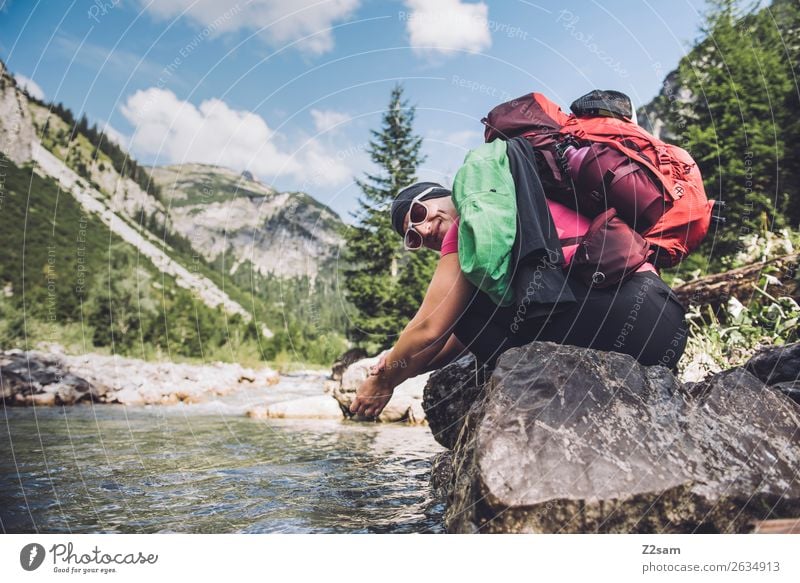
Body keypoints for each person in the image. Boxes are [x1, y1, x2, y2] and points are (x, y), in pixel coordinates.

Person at [349, 181, 688, 418]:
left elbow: (431, 328)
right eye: (411, 236)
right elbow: (449, 344)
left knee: (465, 311)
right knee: (468, 313)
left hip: (623, 314)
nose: (421, 232)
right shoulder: (512, 196)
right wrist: (396, 364)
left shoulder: (470, 221)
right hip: (664, 319)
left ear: (443, 196)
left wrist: (383, 381)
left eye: (419, 214)